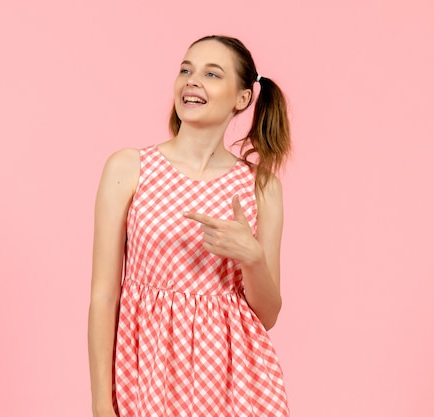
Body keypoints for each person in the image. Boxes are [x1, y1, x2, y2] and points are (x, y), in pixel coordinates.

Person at [88, 35, 291, 417]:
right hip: (145, 369)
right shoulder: (129, 167)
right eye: (186, 69)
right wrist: (101, 400)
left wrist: (252, 257)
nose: (192, 81)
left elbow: (267, 314)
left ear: (242, 98)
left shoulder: (262, 187)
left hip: (234, 380)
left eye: (212, 74)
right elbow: (103, 296)